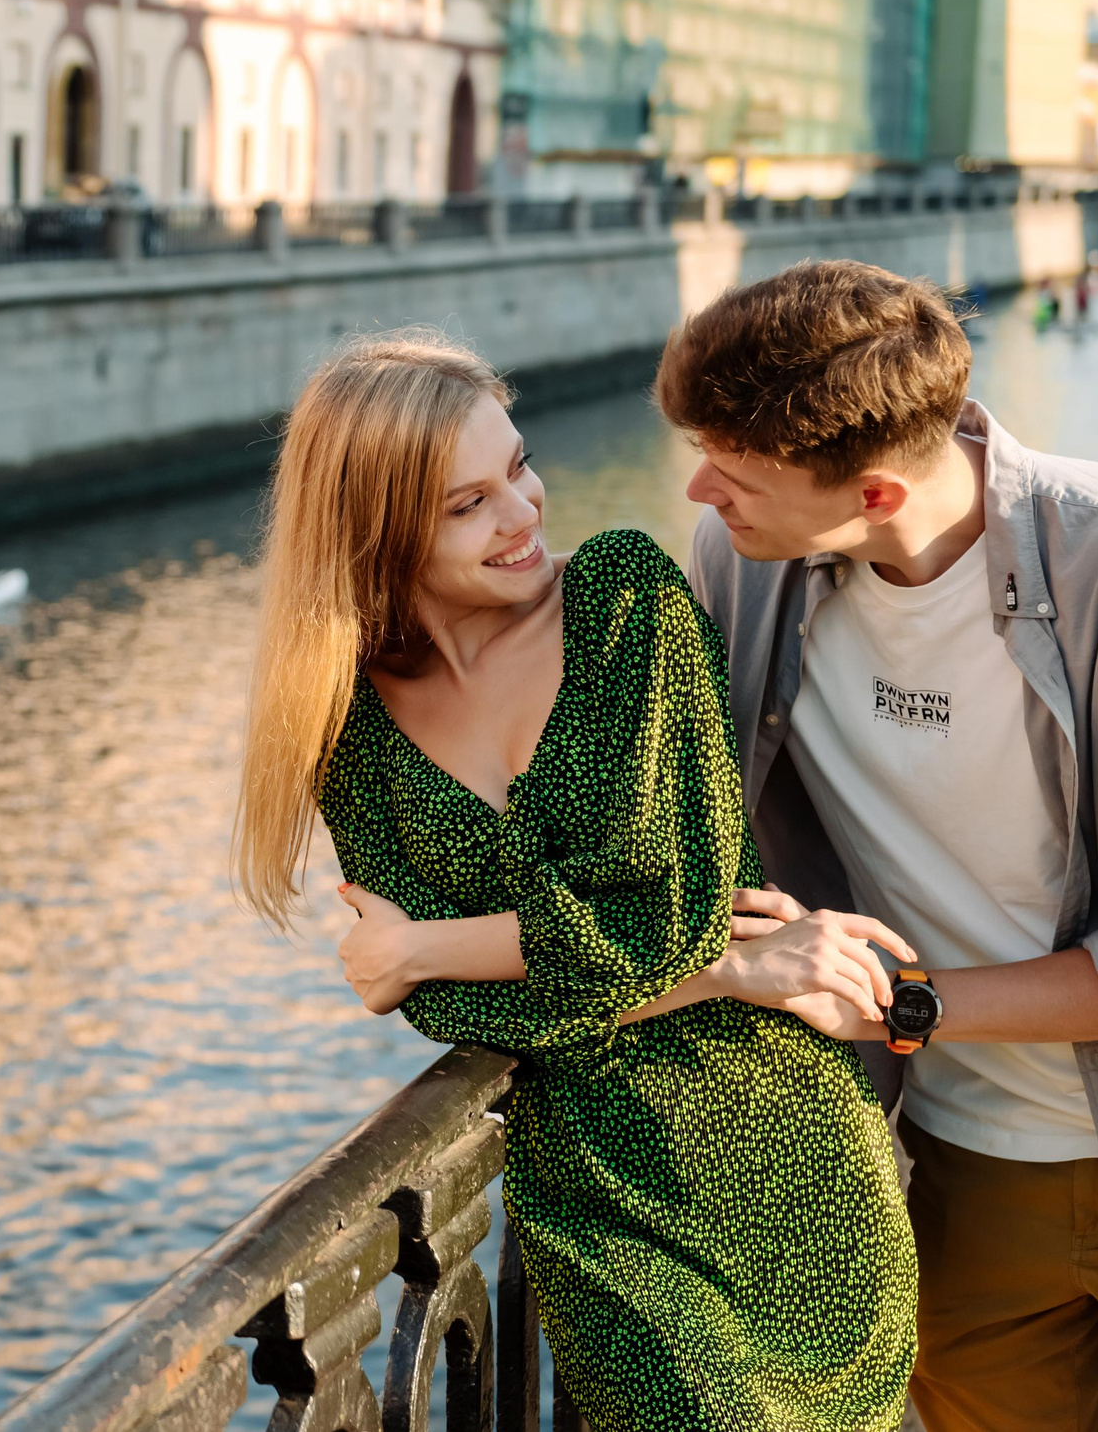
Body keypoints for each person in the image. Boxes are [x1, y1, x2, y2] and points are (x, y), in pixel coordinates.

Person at [658, 260, 1098, 1432]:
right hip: (965, 1158)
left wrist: (899, 1006)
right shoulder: (742, 564)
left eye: (732, 467)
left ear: (874, 492)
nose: (697, 487)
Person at [233, 331, 917, 1431]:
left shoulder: (623, 604)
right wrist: (726, 968)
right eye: (467, 503)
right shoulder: (347, 734)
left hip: (783, 1158)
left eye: (517, 464)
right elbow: (459, 1012)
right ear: (374, 529)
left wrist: (426, 944)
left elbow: (663, 915)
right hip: (595, 1203)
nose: (523, 511)